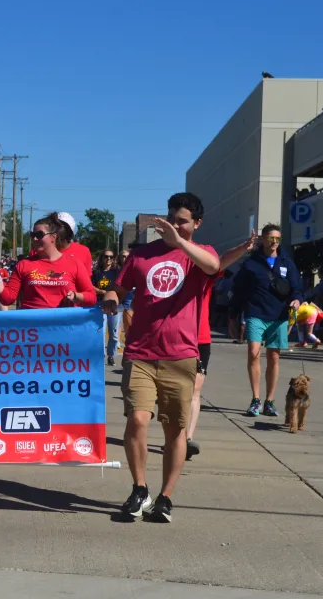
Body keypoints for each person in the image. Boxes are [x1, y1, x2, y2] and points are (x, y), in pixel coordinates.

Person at [101, 192, 219, 523]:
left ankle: (165, 497)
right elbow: (118, 289)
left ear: (196, 224)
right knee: (137, 420)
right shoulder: (141, 256)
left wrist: (180, 243)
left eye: (182, 220)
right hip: (140, 352)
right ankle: (139, 489)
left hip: (180, 355)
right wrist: (111, 297)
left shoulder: (199, 255)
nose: (174, 225)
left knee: (175, 432)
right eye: (171, 218)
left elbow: (213, 267)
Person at [186, 232, 258, 460]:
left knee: (194, 390)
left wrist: (243, 248)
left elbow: (222, 260)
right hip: (171, 339)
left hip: (199, 339)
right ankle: (175, 436)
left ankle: (186, 439)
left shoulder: (205, 270)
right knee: (175, 394)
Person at [228, 224, 301, 418]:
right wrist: (233, 315)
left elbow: (296, 289)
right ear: (263, 240)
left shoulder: (287, 262)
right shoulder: (251, 263)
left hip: (279, 316)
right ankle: (255, 399)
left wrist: (297, 300)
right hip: (255, 313)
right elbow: (239, 289)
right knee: (253, 352)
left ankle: (269, 401)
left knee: (273, 356)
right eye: (270, 238)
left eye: (277, 239)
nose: (274, 242)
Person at [0, 213, 96, 310]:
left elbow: (92, 297)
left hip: (63, 329)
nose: (34, 238)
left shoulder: (73, 263)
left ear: (53, 237)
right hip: (31, 332)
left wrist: (76, 296)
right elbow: (7, 299)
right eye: (32, 235)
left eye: (39, 235)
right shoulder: (24, 265)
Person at [92, 250, 120, 365]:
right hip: (100, 304)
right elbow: (91, 286)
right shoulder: (96, 272)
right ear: (102, 258)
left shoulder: (117, 272)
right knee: (101, 331)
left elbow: (121, 286)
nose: (108, 259)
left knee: (113, 332)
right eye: (106, 257)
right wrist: (102, 292)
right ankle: (101, 355)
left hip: (113, 303)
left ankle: (111, 355)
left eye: (111, 257)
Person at [117, 250, 135, 336]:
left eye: (127, 256)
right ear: (119, 258)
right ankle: (117, 343)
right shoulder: (115, 270)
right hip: (118, 298)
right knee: (116, 325)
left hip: (130, 299)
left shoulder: (134, 268)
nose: (125, 258)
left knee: (128, 324)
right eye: (123, 256)